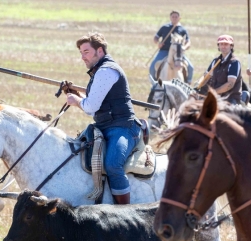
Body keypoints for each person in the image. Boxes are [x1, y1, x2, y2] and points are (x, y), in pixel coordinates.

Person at [65, 33, 141, 205]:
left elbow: (90, 106)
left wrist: (75, 100)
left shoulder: (106, 71)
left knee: (113, 165)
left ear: (99, 51)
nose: (82, 57)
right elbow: (95, 107)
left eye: (86, 52)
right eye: (81, 53)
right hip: (104, 127)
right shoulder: (99, 72)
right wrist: (78, 97)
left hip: (123, 127)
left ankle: (125, 212)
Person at [196, 35, 243, 104]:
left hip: (230, 99)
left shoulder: (234, 62)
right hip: (216, 98)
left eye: (226, 44)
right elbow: (206, 76)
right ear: (218, 46)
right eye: (221, 44)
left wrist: (214, 92)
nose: (223, 46)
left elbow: (230, 84)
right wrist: (197, 84)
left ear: (231, 46)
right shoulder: (215, 61)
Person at [149, 11, 194, 83]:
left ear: (179, 18)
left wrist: (184, 47)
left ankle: (188, 83)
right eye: (173, 17)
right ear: (170, 18)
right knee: (152, 67)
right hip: (164, 51)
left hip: (178, 52)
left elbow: (188, 42)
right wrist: (158, 43)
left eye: (176, 17)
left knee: (191, 67)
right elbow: (155, 38)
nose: (174, 18)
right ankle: (154, 84)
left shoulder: (182, 29)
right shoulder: (164, 27)